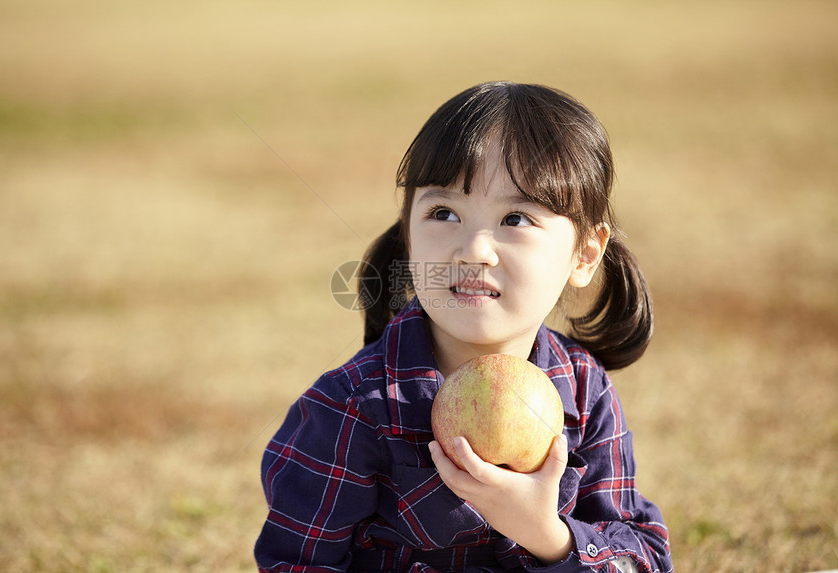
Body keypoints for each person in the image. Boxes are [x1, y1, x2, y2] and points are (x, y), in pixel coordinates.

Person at [254, 81, 673, 572]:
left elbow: (643, 558)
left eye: (516, 218)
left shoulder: (584, 392)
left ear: (583, 255)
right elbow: (296, 563)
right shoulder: (351, 407)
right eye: (443, 213)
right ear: (409, 235)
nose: (474, 249)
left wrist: (547, 533)